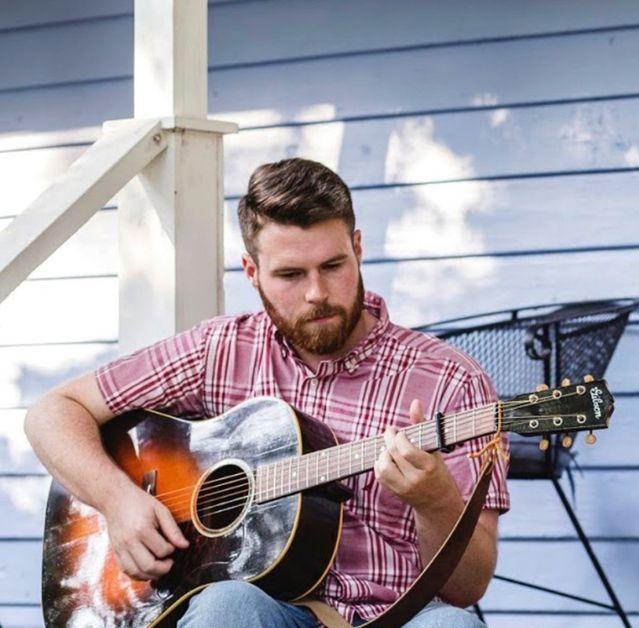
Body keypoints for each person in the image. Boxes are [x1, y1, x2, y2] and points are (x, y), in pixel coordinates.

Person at [24, 158, 508, 627]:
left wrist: (436, 500)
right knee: (226, 607)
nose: (317, 293)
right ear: (252, 272)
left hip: (401, 613)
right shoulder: (220, 349)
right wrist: (118, 502)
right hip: (264, 609)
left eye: (333, 265)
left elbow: (468, 588)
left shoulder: (450, 379)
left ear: (358, 249)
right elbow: (53, 413)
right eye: (291, 275)